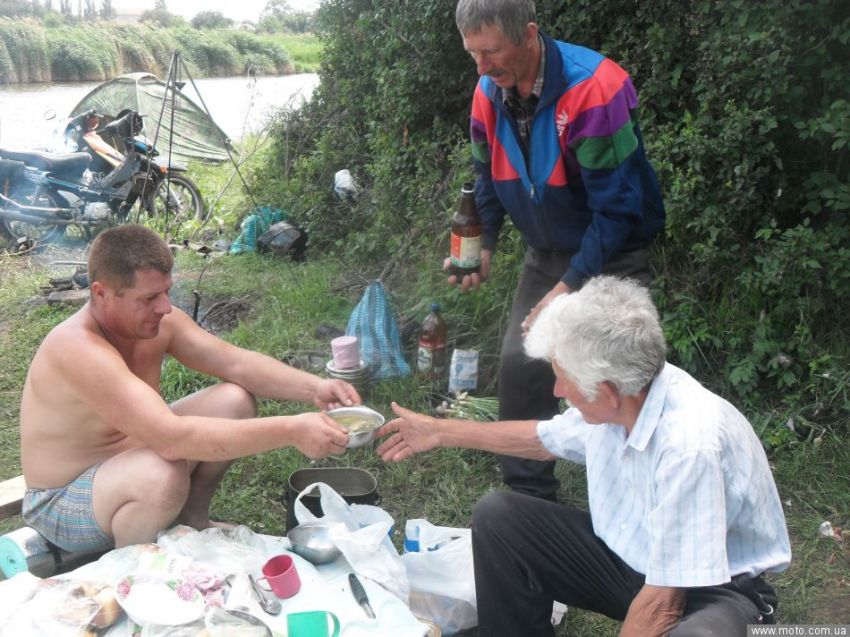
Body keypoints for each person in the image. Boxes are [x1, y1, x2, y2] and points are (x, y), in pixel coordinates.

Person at [378, 276, 791, 636]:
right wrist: (440, 431)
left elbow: (664, 603)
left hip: (713, 590)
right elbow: (542, 439)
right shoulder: (624, 395)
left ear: (607, 391)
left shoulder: (689, 445)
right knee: (499, 517)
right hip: (636, 562)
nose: (557, 391)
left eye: (562, 378)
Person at [20, 224, 359, 552]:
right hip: (63, 500)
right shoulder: (77, 348)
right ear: (101, 294)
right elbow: (171, 439)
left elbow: (236, 363)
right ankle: (133, 570)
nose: (165, 307)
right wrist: (292, 430)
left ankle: (193, 518)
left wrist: (315, 388)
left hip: (130, 460)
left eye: (166, 292)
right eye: (149, 298)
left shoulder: (158, 322)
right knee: (161, 473)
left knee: (234, 401)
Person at [447, 0, 666, 500]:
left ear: (529, 33)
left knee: (619, 378)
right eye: (472, 53)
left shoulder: (595, 89)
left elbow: (618, 210)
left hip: (613, 251)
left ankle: (644, 492)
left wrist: (569, 286)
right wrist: (485, 244)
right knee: (521, 364)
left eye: (491, 51)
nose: (481, 68)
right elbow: (487, 176)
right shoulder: (487, 92)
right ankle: (527, 499)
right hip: (547, 252)